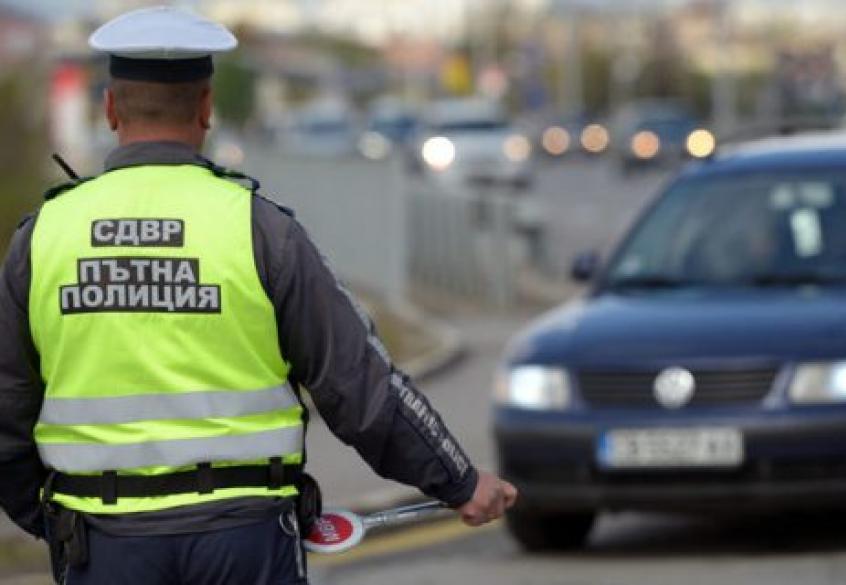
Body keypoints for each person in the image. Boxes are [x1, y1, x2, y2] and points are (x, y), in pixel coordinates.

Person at [0, 6, 516, 584]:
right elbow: (359, 384)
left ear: (111, 108)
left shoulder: (42, 239)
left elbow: (5, 409)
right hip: (245, 542)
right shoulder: (262, 230)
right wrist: (461, 482)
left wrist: (54, 519)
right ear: (206, 107)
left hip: (102, 544)